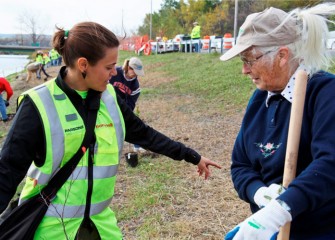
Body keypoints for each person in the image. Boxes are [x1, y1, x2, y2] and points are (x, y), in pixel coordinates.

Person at [0, 22, 221, 239]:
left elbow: (145, 134)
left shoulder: (110, 99)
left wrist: (191, 155)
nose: (114, 72)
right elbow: (7, 172)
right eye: (108, 67)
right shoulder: (38, 103)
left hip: (100, 224)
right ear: (84, 64)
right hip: (49, 227)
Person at [220, 3, 335, 240]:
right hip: (270, 227)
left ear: (282, 55)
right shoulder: (260, 99)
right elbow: (240, 165)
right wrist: (259, 193)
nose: (244, 70)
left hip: (316, 229)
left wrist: (281, 210)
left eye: (250, 60)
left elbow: (329, 165)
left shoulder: (325, 93)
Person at [109, 57, 145, 153]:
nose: (136, 75)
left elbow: (131, 104)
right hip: (106, 102)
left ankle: (137, 146)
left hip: (121, 107)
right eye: (135, 72)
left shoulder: (135, 86)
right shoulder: (114, 73)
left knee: (133, 122)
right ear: (129, 68)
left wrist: (124, 113)